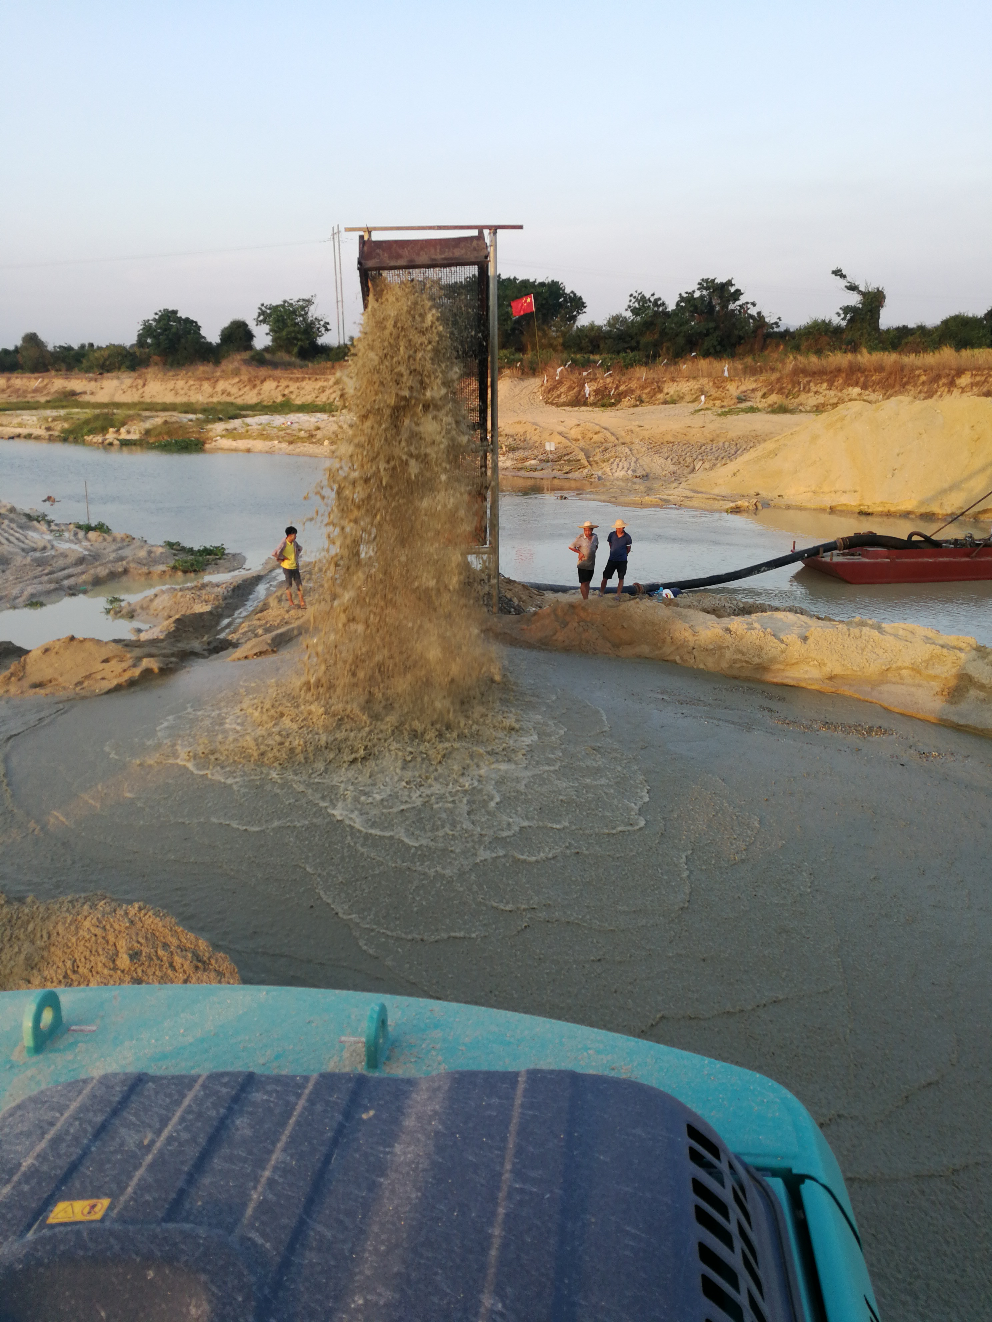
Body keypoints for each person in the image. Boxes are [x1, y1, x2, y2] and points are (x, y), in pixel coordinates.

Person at [273, 525, 306, 609]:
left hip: (295, 566)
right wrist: (282, 558)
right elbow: (275, 553)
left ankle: (302, 602)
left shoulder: (294, 543)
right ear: (290, 535)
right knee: (289, 585)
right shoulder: (284, 543)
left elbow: (299, 548)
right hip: (287, 567)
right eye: (295, 534)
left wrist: (296, 555)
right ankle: (291, 603)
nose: (296, 536)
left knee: (299, 585)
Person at [600, 518, 632, 597]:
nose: (619, 529)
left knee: (621, 578)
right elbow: (610, 544)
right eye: (617, 527)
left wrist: (623, 554)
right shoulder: (611, 535)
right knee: (605, 577)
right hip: (612, 559)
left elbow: (628, 549)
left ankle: (618, 595)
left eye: (620, 527)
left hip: (622, 561)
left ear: (623, 527)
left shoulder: (627, 537)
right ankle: (601, 593)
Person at [568, 520, 599, 599]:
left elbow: (596, 546)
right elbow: (571, 546)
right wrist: (579, 553)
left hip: (591, 563)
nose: (587, 532)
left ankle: (586, 597)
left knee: (588, 582)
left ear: (592, 530)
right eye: (585, 530)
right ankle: (585, 599)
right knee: (583, 582)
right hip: (583, 564)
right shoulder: (580, 538)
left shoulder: (595, 537)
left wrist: (593, 551)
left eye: (589, 530)